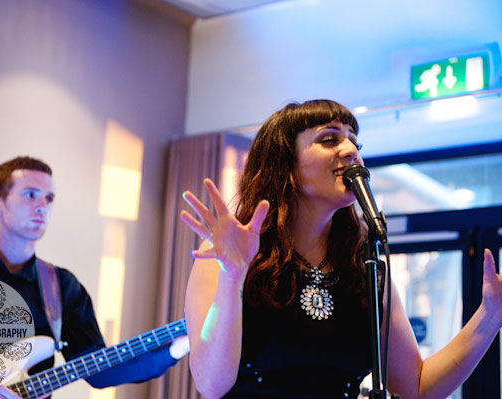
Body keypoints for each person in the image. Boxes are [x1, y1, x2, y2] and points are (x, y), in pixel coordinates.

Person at [180, 99, 502, 399]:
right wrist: (233, 275)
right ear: (286, 164)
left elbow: (416, 386)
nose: (351, 151)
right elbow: (211, 385)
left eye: (354, 142)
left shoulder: (367, 267)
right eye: (330, 139)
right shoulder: (227, 256)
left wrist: (491, 315)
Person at [0, 156, 188, 398]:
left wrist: (178, 347)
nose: (43, 206)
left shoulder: (61, 287)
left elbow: (99, 371)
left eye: (49, 198)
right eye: (30, 195)